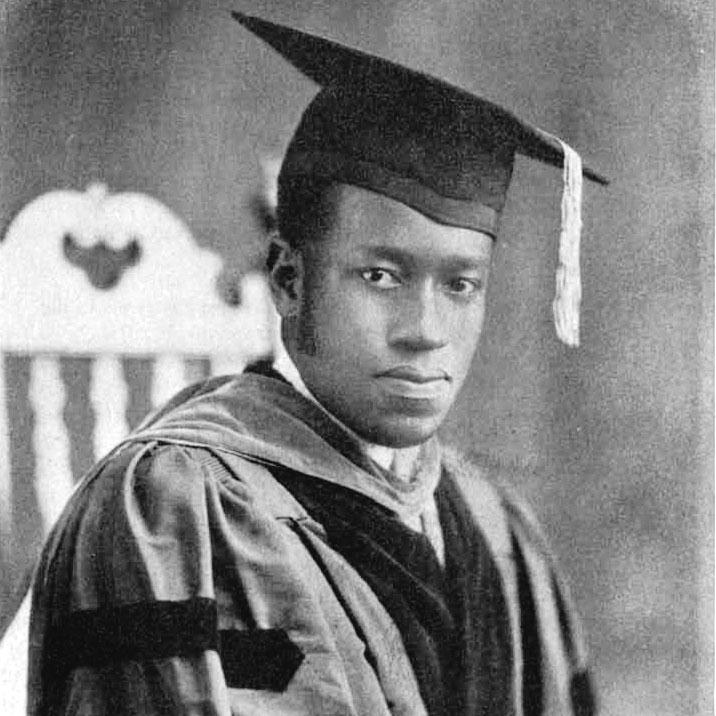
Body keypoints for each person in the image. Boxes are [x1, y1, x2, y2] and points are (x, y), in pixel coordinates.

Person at [27, 12, 607, 716]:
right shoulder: (172, 506)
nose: (426, 331)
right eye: (381, 277)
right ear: (288, 279)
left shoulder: (495, 526)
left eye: (460, 285)